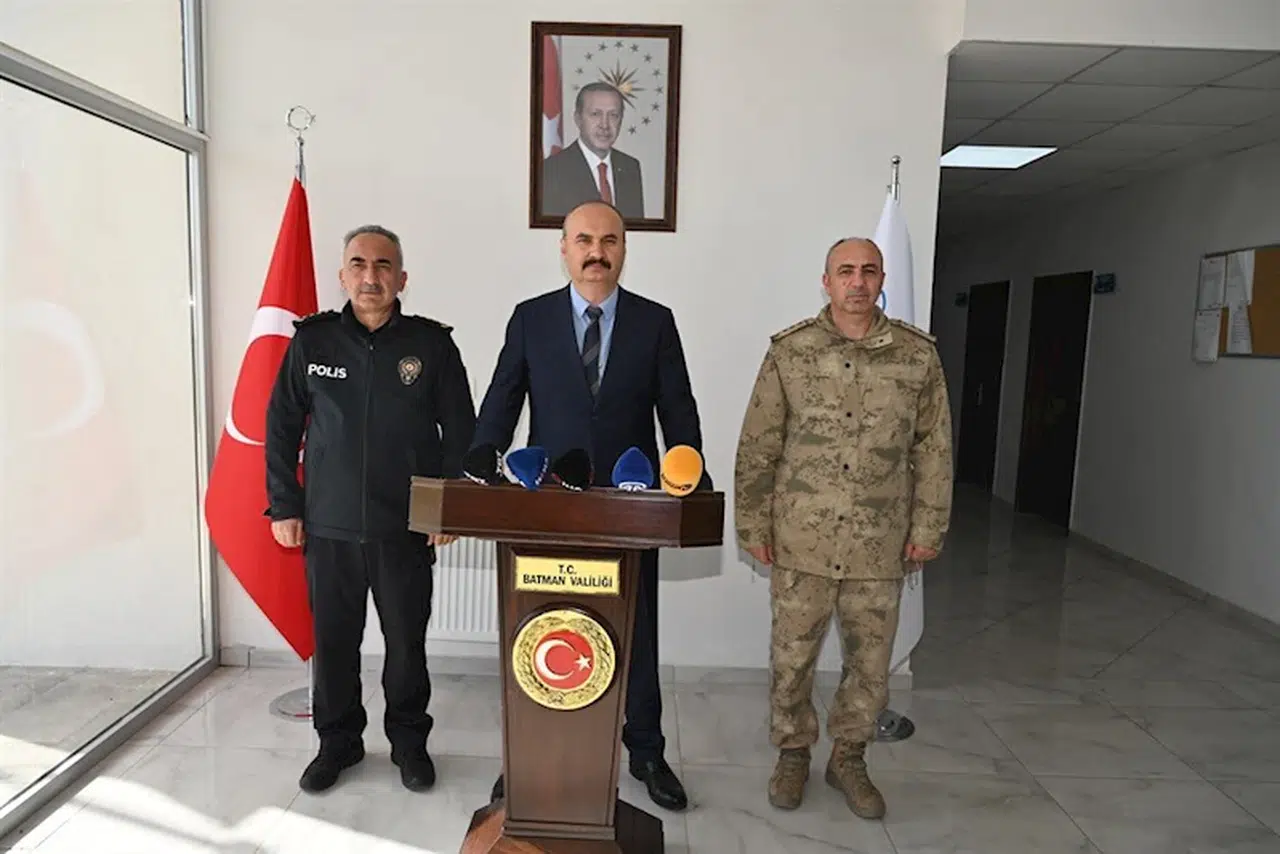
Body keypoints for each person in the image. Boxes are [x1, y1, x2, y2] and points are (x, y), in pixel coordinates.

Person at [469, 200, 705, 811]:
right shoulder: (531, 318)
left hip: (630, 504)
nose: (596, 252)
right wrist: (478, 461)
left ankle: (646, 750)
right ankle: (525, 753)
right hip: (548, 501)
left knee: (637, 630)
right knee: (538, 623)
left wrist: (690, 471)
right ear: (564, 248)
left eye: (609, 240)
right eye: (583, 240)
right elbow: (502, 398)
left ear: (624, 248)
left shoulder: (655, 322)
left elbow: (677, 407)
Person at [732, 237, 953, 818]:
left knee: (871, 665)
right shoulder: (791, 352)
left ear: (882, 281)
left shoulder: (916, 357)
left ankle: (849, 757)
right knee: (792, 660)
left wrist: (929, 525)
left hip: (879, 542)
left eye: (869, 271)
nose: (858, 282)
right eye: (846, 271)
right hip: (801, 539)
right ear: (826, 282)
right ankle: (793, 753)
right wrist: (753, 523)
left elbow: (934, 449)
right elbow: (759, 444)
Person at [265, 225, 477, 794]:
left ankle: (409, 743)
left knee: (406, 645)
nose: (370, 276)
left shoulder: (431, 346)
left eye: (383, 266)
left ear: (402, 279)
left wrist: (446, 509)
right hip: (328, 525)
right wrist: (284, 505)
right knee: (334, 645)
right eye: (358, 264)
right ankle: (338, 743)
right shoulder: (313, 343)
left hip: (403, 526)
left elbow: (461, 430)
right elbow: (281, 426)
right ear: (343, 276)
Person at [541, 82, 645, 219]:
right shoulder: (551, 170)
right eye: (595, 114)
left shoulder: (630, 167)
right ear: (578, 119)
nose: (605, 125)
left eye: (613, 115)